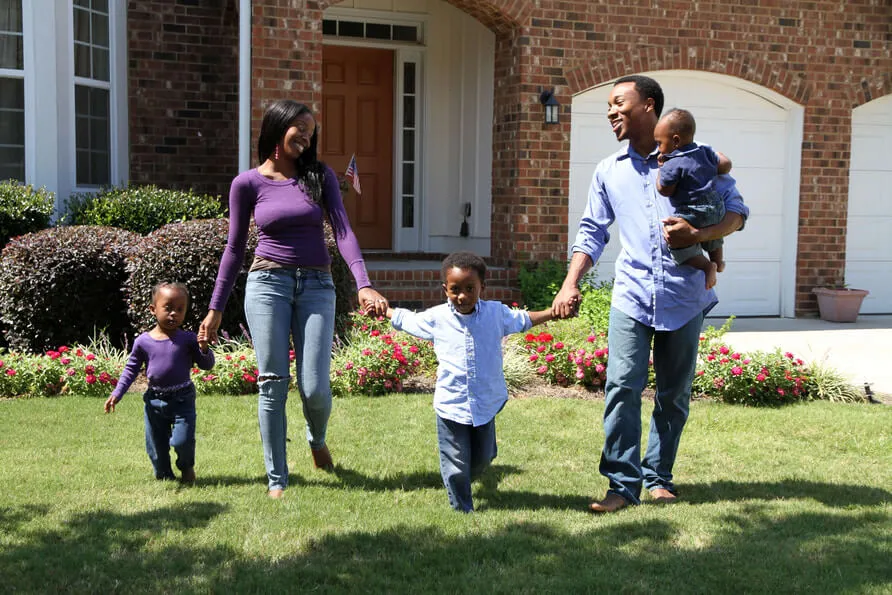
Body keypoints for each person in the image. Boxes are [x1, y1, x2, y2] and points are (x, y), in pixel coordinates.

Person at [552, 75, 749, 513]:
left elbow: (737, 212)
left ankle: (659, 476)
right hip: (633, 294)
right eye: (607, 105)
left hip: (684, 294)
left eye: (619, 102)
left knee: (674, 393)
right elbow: (592, 232)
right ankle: (622, 485)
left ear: (649, 106)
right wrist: (571, 281)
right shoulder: (609, 170)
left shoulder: (696, 160)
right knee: (622, 386)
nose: (610, 111)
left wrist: (700, 233)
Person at [199, 99, 389, 499]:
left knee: (315, 386)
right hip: (267, 284)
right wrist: (215, 308)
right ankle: (277, 479)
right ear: (276, 127)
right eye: (299, 127)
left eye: (311, 130)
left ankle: (316, 437)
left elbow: (343, 230)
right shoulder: (247, 184)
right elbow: (234, 249)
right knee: (272, 382)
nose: (306, 135)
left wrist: (363, 283)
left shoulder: (319, 177)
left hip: (317, 286)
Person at [386, 251, 554, 512]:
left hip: (485, 402)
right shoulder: (437, 318)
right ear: (445, 289)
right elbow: (408, 320)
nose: (462, 296)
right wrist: (383, 310)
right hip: (451, 404)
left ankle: (473, 470)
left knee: (483, 458)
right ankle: (462, 508)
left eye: (469, 289)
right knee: (456, 463)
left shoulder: (495, 314)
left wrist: (553, 313)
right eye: (455, 290)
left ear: (482, 287)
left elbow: (522, 320)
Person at [104, 282, 215, 483]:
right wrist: (118, 393)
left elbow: (206, 365)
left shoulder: (188, 339)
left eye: (180, 309)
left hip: (183, 398)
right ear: (153, 309)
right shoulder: (143, 342)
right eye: (168, 308)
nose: (174, 314)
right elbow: (131, 370)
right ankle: (164, 475)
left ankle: (186, 466)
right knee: (156, 444)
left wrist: (204, 348)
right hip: (154, 400)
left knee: (182, 440)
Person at [653, 108, 733, 289]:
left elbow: (665, 190)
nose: (658, 148)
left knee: (676, 239)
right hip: (716, 205)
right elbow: (726, 164)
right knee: (714, 235)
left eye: (659, 143)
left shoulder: (672, 162)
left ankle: (707, 266)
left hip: (693, 211)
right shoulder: (703, 151)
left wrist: (661, 169)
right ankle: (718, 261)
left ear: (675, 141)